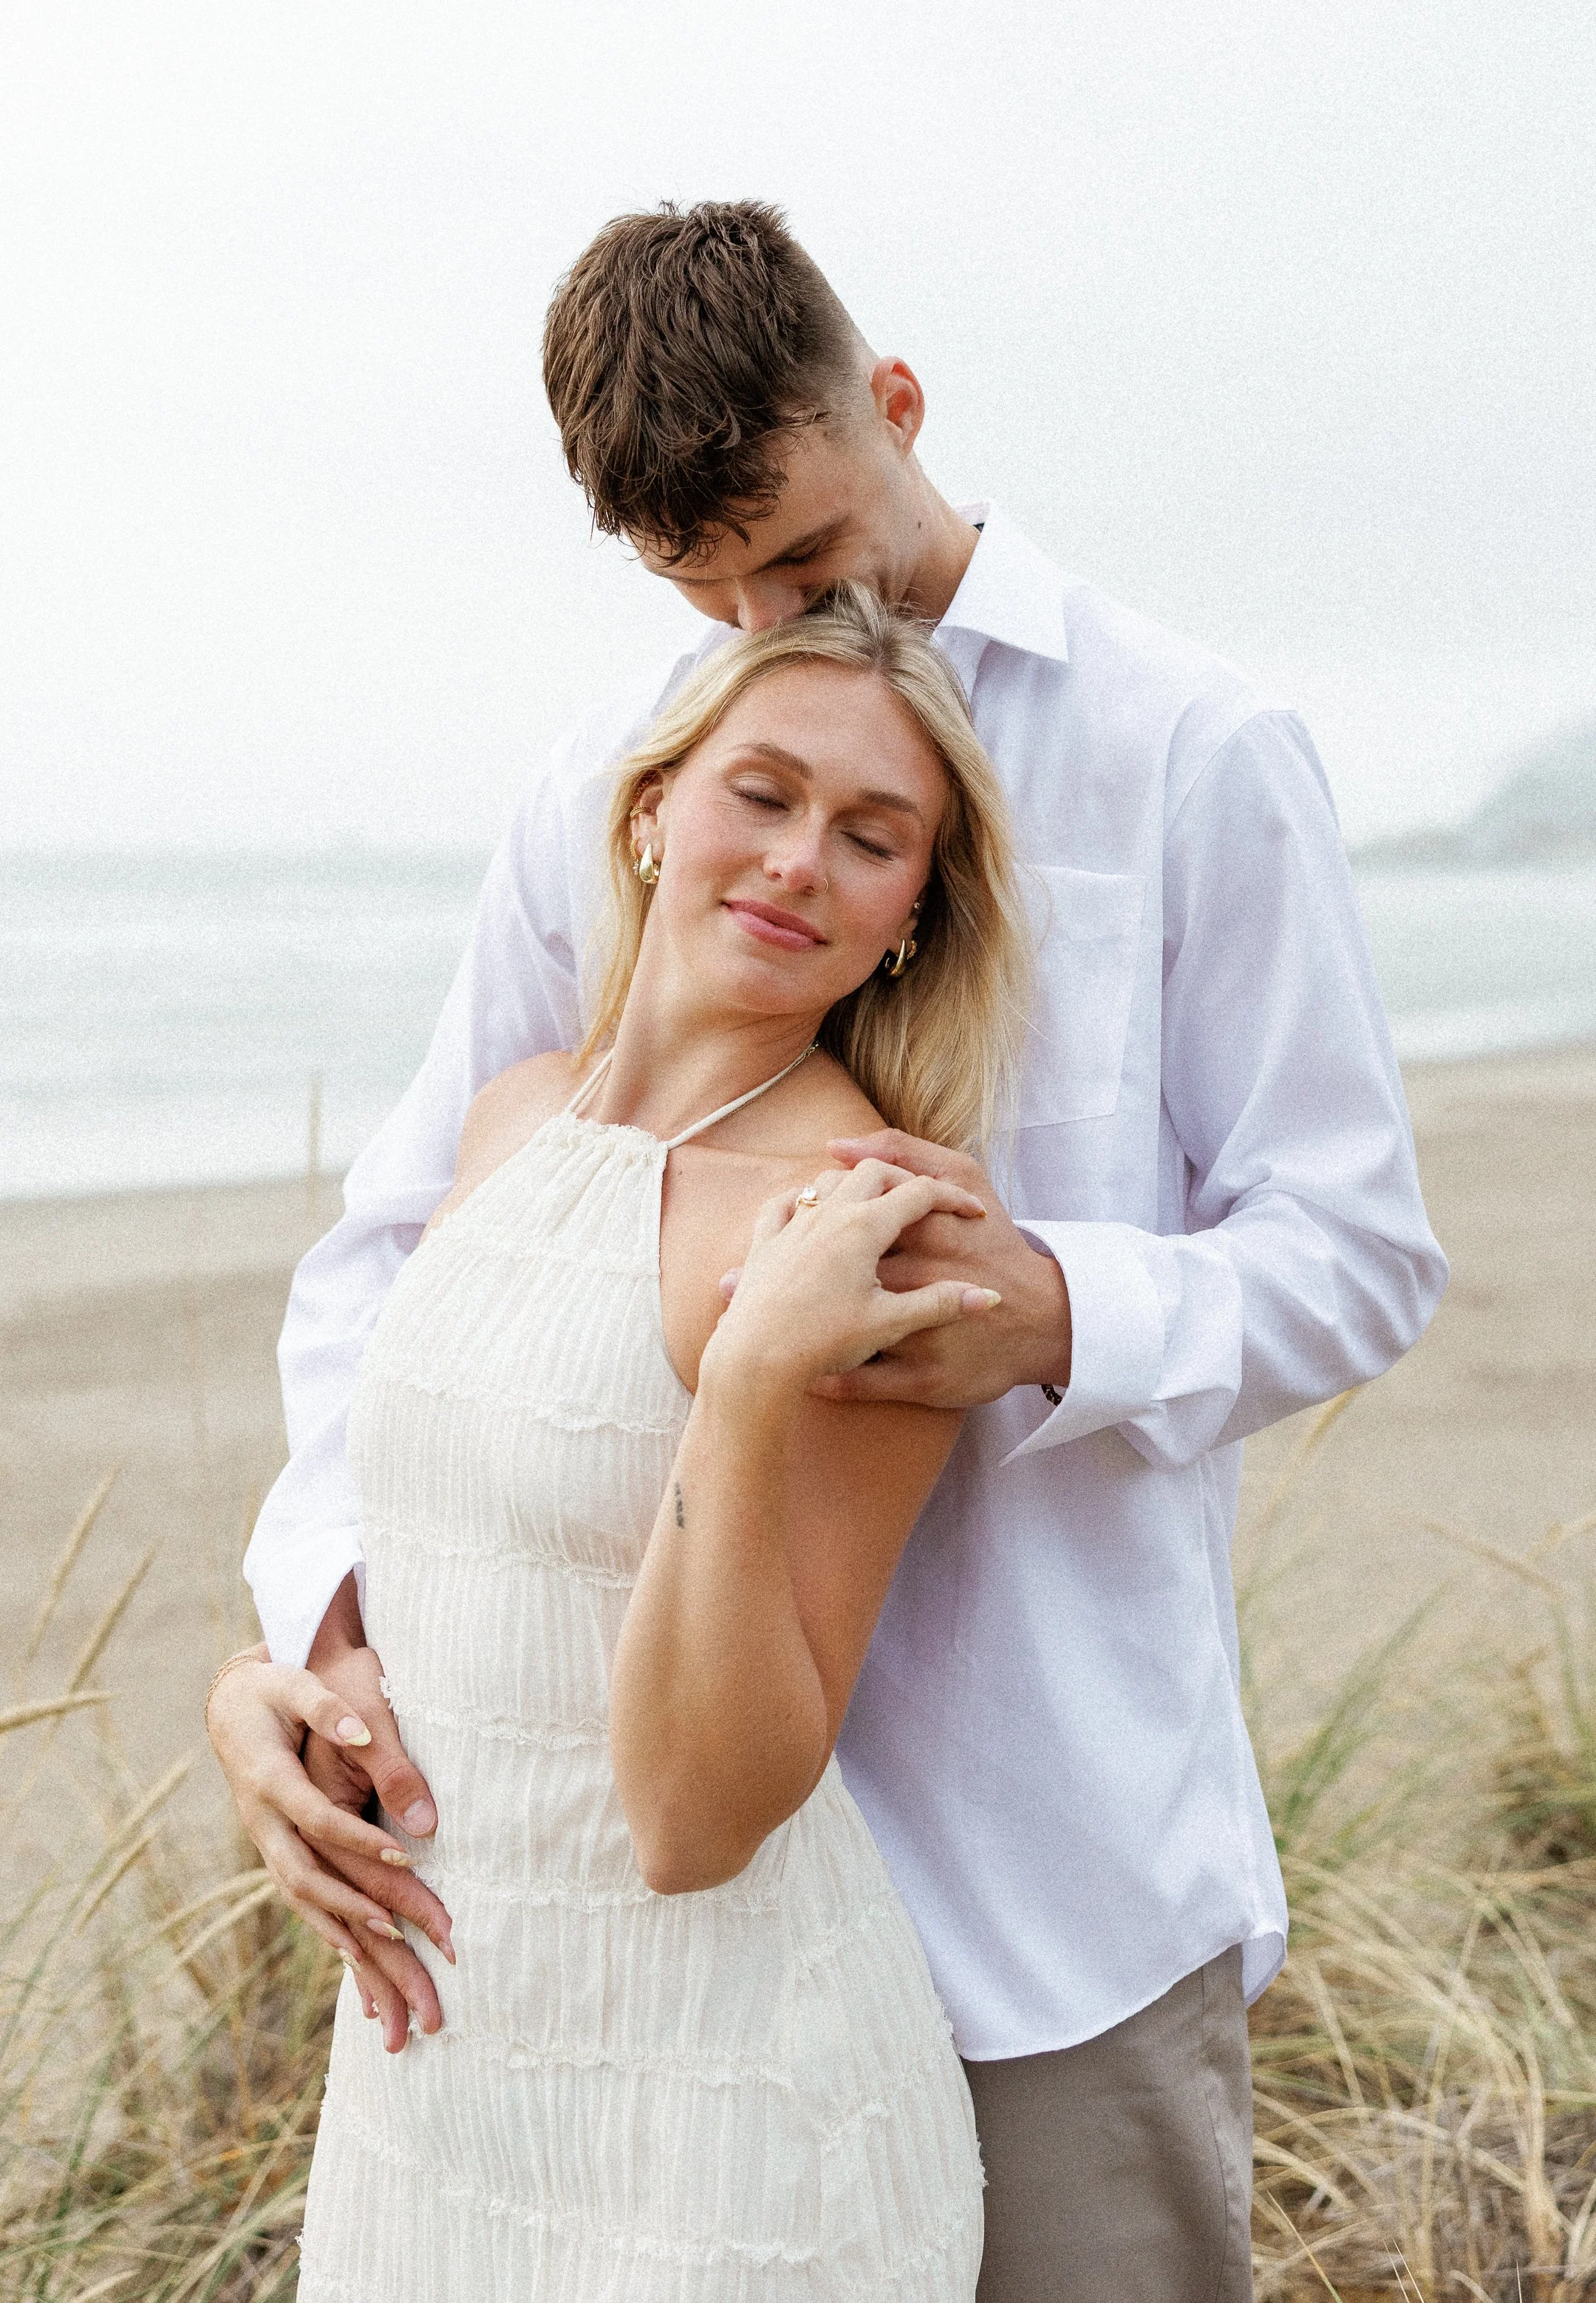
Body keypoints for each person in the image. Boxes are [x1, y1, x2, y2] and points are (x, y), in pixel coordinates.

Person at [211, 201, 1447, 2301]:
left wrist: (1052, 1310)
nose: (759, 619)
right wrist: (321, 1630)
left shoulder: (1192, 752)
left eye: (797, 559)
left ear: (894, 404)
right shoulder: (632, 780)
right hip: (613, 1932)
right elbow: (406, 1251)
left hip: (1035, 1874)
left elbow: (1357, 1243)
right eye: (698, 593)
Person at [279, 587, 1028, 2299]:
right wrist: (285, 1674)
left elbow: (700, 1822)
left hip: (717, 2107)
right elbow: (430, 1534)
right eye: (760, 794)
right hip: (439, 2064)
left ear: (912, 915)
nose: (794, 862)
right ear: (649, 810)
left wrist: (758, 1380)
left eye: (870, 836)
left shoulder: (866, 1227)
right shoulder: (512, 1115)